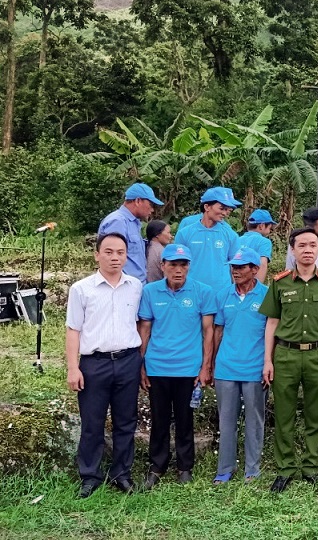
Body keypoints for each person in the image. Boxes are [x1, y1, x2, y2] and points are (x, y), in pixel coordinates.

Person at [261, 228, 318, 493]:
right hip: (285, 355)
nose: (308, 250)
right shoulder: (280, 283)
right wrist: (268, 360)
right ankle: (285, 468)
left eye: (312, 245)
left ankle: (311, 466)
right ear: (292, 249)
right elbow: (272, 323)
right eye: (302, 245)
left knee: (316, 413)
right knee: (283, 414)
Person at [66, 232, 144, 498]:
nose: (115, 258)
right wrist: (73, 368)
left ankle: (121, 474)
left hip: (128, 361)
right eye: (108, 252)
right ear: (97, 255)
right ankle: (90, 476)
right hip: (94, 364)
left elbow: (140, 324)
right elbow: (73, 330)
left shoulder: (135, 286)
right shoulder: (81, 289)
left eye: (120, 252)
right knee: (92, 422)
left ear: (126, 256)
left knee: (126, 421)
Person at [137, 243, 216, 489]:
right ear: (163, 266)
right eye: (173, 264)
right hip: (157, 366)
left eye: (183, 265)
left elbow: (208, 331)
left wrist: (205, 367)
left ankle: (185, 467)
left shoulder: (203, 291)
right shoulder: (150, 292)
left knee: (185, 419)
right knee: (159, 419)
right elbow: (144, 330)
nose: (178, 270)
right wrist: (141, 366)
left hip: (188, 368)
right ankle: (157, 466)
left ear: (189, 266)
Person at [212, 248, 269, 485]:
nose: (235, 271)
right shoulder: (223, 295)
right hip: (226, 368)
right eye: (233, 267)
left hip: (255, 368)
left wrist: (269, 363)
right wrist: (211, 363)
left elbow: (272, 333)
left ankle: (252, 469)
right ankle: (225, 468)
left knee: (254, 421)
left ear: (255, 270)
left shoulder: (267, 295)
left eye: (241, 267)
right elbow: (217, 331)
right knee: (226, 421)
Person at [173, 187, 241, 292]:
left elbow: (236, 267)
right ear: (207, 207)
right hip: (191, 291)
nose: (224, 213)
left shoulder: (230, 235)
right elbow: (176, 264)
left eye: (227, 210)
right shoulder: (185, 233)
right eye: (221, 208)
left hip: (220, 292)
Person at [98, 182, 164, 283]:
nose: (152, 210)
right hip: (125, 286)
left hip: (137, 285)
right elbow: (112, 259)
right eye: (150, 205)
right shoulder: (118, 221)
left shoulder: (133, 223)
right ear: (138, 201)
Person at [237, 209, 276, 282]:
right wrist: (257, 286)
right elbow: (262, 264)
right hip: (251, 283)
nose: (269, 231)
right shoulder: (264, 242)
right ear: (261, 226)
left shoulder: (237, 240)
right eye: (269, 228)